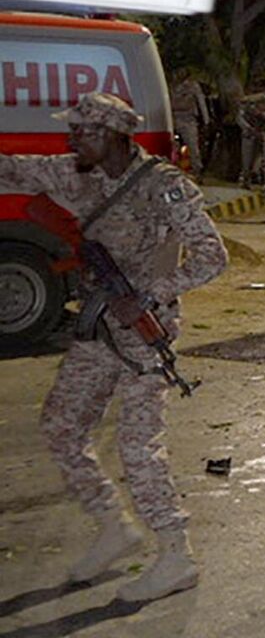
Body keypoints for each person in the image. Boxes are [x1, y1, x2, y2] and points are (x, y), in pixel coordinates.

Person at [0, 92, 227, 601]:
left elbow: (215, 256)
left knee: (136, 444)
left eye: (80, 131)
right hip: (99, 328)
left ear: (109, 135)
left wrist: (152, 293)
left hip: (148, 331)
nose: (70, 139)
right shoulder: (75, 173)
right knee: (61, 425)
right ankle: (112, 525)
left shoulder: (165, 187)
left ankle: (176, 554)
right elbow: (13, 171)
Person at [168, 76, 211, 176]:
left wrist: (206, 120)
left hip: (188, 119)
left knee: (193, 146)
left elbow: (201, 102)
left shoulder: (192, 86)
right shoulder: (171, 84)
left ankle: (197, 170)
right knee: (173, 147)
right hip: (174, 118)